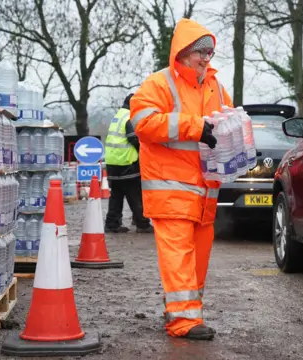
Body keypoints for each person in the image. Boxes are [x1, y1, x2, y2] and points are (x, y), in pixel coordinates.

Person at [129, 18, 233, 340]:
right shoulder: (159, 83)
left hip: (204, 192)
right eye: (201, 52)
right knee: (180, 255)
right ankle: (183, 322)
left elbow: (227, 121)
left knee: (198, 257)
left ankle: (186, 312)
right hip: (171, 189)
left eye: (210, 54)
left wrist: (239, 143)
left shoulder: (215, 86)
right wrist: (195, 127)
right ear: (184, 52)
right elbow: (143, 123)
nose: (206, 59)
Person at [104, 93, 153, 234]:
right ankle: (142, 224)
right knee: (134, 194)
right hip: (126, 162)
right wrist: (146, 152)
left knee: (116, 195)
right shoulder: (130, 118)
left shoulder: (118, 115)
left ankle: (112, 224)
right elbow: (134, 139)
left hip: (113, 162)